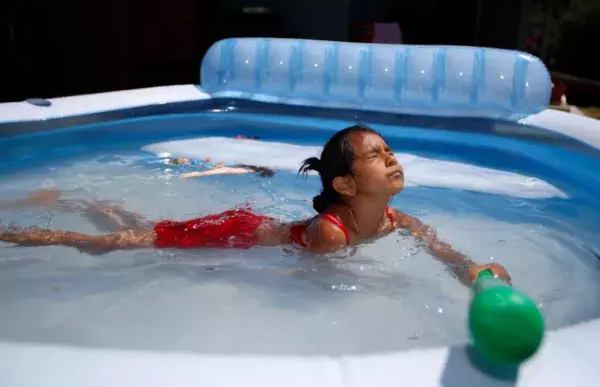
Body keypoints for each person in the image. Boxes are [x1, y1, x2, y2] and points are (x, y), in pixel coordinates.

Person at [0, 125, 510, 286]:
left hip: (246, 229)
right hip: (232, 233)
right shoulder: (330, 233)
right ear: (347, 186)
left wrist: (470, 269)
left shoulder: (396, 219)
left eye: (390, 151)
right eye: (376, 156)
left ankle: (101, 204)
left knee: (153, 231)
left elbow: (434, 246)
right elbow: (307, 281)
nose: (391, 158)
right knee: (104, 247)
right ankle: (19, 231)